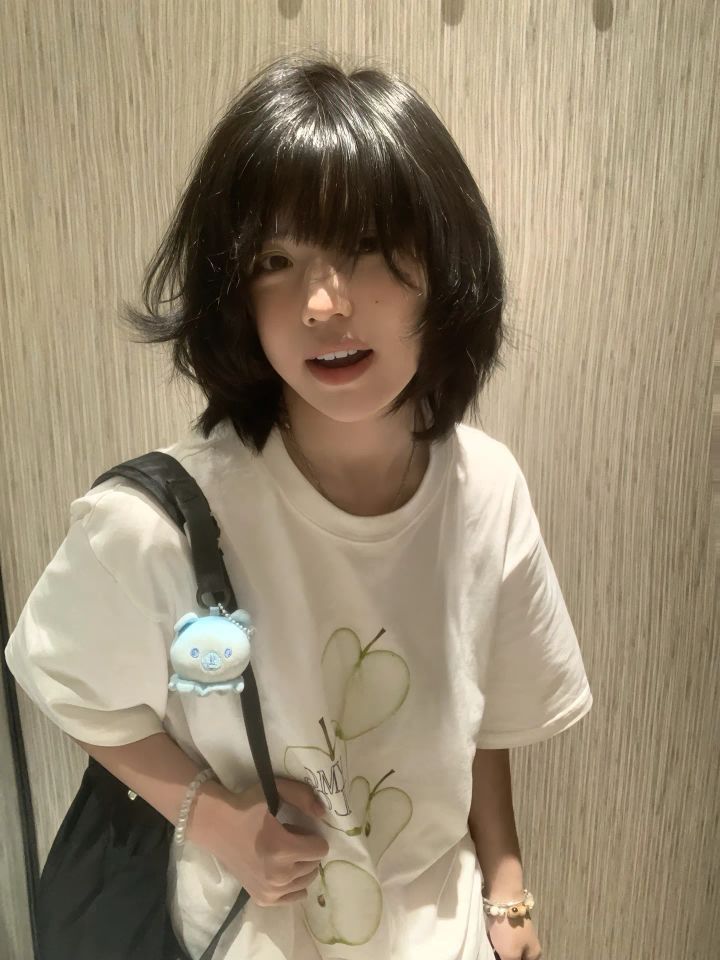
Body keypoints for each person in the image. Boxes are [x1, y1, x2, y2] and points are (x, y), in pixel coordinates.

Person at [5, 52, 592, 960]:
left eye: (367, 248)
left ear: (446, 268)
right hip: (248, 935)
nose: (322, 302)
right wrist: (216, 820)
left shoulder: (488, 489)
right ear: (235, 295)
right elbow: (69, 687)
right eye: (275, 260)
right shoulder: (165, 521)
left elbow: (481, 718)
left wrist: (508, 890)